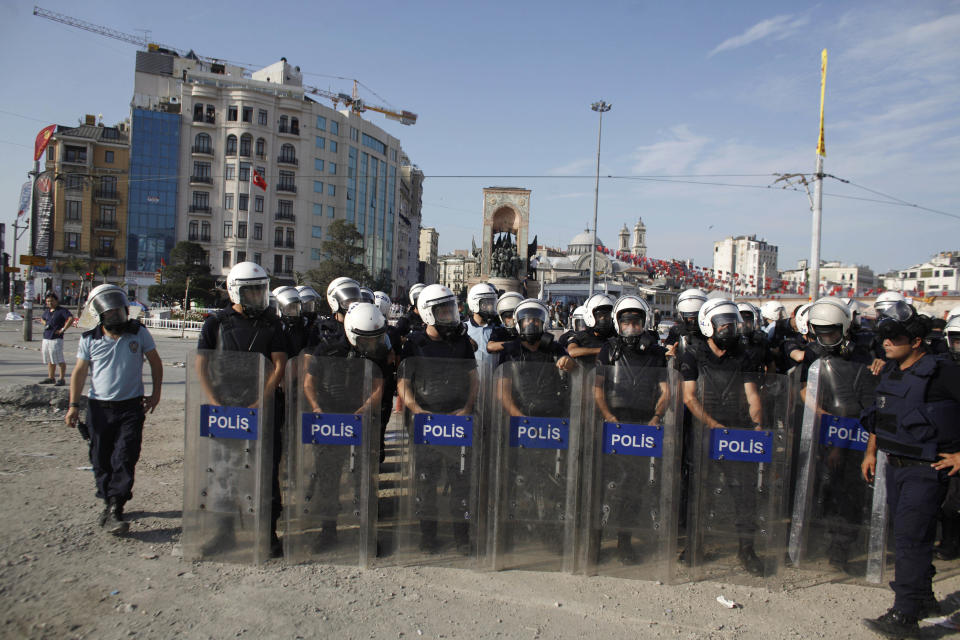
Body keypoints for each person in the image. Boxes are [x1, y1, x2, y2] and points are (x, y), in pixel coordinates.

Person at [860, 302, 960, 637]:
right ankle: (923, 598)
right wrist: (871, 452)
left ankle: (905, 614)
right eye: (883, 336)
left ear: (916, 340)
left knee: (911, 539)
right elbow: (881, 415)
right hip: (896, 465)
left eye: (894, 337)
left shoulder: (942, 371)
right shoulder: (892, 369)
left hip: (925, 468)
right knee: (908, 535)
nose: (886, 342)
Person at [195, 262, 287, 556]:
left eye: (261, 290)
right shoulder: (215, 324)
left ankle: (267, 533)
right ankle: (224, 532)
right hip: (226, 409)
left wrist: (262, 398)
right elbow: (202, 364)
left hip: (261, 408)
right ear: (236, 292)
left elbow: (279, 364)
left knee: (265, 470)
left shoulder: (273, 325)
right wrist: (214, 400)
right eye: (252, 292)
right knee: (224, 472)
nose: (258, 297)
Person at [64, 285, 162, 534]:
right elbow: (80, 372)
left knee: (126, 455)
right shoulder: (89, 338)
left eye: (120, 311)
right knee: (100, 457)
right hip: (99, 408)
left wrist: (156, 393)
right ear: (100, 315)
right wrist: (73, 405)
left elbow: (155, 362)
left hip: (131, 406)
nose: (117, 316)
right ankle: (108, 501)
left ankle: (116, 506)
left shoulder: (138, 333)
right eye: (111, 313)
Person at [680, 298, 766, 575]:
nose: (729, 329)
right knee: (699, 494)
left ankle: (747, 549)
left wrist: (756, 426)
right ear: (709, 325)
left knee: (745, 494)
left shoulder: (744, 356)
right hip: (705, 432)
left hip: (737, 432)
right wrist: (713, 424)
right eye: (724, 324)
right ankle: (695, 545)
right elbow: (690, 398)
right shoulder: (693, 355)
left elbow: (752, 396)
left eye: (732, 324)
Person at [301, 302, 392, 547]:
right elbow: (309, 383)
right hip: (330, 421)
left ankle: (367, 535)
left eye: (376, 338)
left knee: (364, 480)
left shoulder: (377, 353)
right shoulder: (327, 350)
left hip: (360, 421)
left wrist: (365, 409)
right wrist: (317, 408)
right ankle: (327, 532)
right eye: (367, 340)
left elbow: (379, 386)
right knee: (328, 480)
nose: (373, 344)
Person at [397, 284, 478, 552]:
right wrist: (415, 409)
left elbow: (473, 379)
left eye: (450, 309)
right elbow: (404, 382)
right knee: (426, 481)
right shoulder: (414, 344)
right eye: (443, 311)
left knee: (460, 482)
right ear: (428, 313)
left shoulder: (462, 342)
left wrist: (467, 408)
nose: (449, 315)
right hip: (425, 421)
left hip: (457, 421)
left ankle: (462, 537)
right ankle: (427, 535)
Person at [592, 295, 669, 564]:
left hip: (643, 426)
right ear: (618, 323)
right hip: (613, 425)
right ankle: (595, 543)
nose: (632, 328)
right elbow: (598, 388)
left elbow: (665, 390)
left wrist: (657, 416)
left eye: (636, 323)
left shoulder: (656, 353)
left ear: (644, 323)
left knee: (633, 489)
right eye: (627, 323)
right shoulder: (608, 350)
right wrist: (608, 417)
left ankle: (625, 542)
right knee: (603, 486)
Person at [566, 293, 616, 366]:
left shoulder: (615, 336)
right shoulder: (582, 336)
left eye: (607, 316)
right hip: (587, 375)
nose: (603, 319)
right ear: (590, 316)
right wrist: (604, 351)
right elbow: (572, 351)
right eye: (600, 316)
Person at [39, 292, 73, 386]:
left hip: (56, 338)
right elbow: (41, 319)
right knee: (50, 359)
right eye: (48, 301)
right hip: (46, 337)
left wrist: (63, 329)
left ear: (56, 301)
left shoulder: (62, 310)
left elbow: (70, 318)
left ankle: (61, 379)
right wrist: (45, 324)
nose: (49, 303)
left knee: (59, 359)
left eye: (51, 301)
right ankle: (51, 377)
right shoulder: (47, 311)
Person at [464, 282, 499, 365]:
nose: (491, 307)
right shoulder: (464, 329)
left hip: (494, 376)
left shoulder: (499, 329)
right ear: (475, 303)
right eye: (487, 303)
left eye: (492, 303)